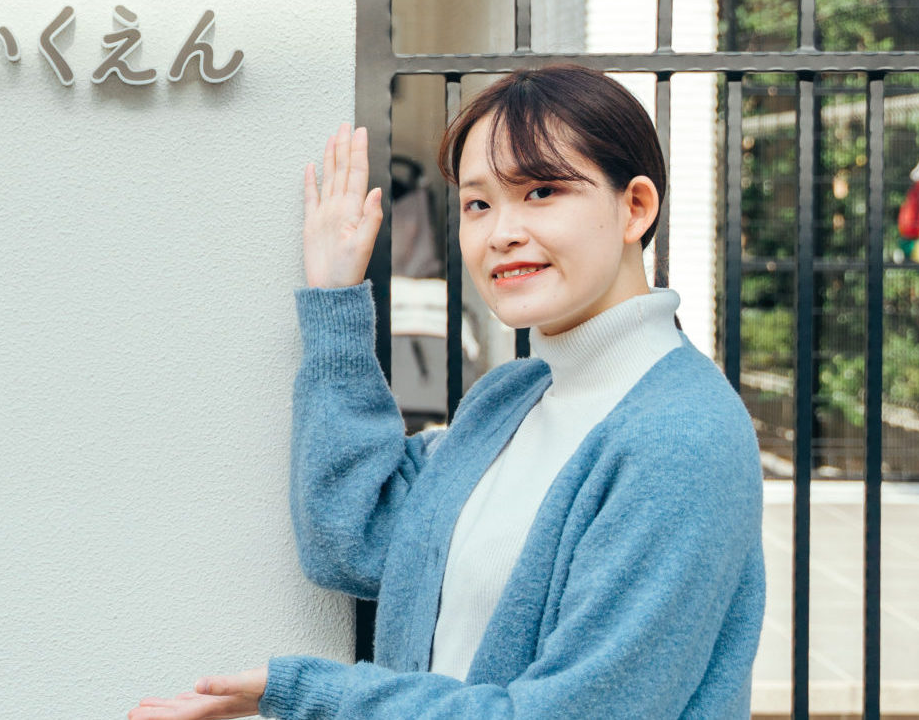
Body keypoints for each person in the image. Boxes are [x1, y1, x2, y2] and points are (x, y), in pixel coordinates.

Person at [129, 64, 765, 719]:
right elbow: (353, 532)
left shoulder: (681, 436)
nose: (501, 232)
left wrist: (313, 693)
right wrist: (335, 303)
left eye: (541, 190)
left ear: (636, 207)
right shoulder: (513, 398)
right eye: (478, 204)